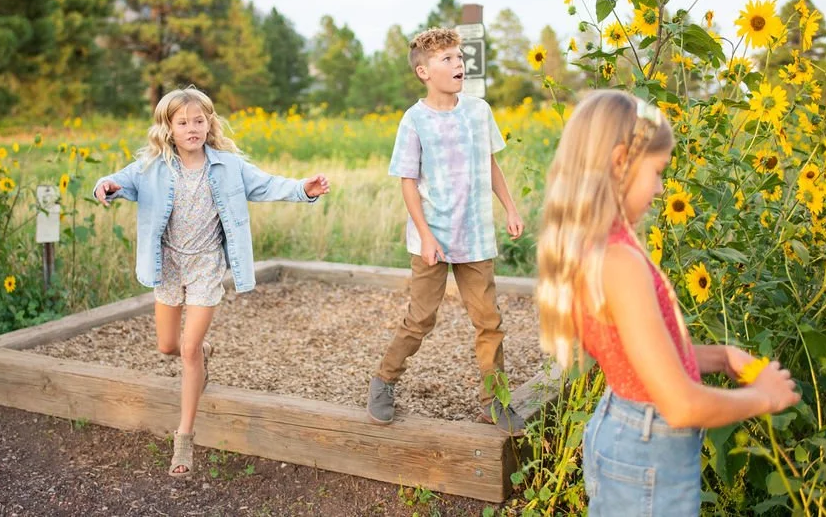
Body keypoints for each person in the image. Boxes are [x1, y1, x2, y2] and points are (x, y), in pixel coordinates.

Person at [535, 89, 800, 515]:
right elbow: (680, 404)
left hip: (626, 428)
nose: (661, 189)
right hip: (648, 449)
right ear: (620, 162)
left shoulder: (597, 246)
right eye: (657, 172)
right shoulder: (619, 262)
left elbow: (640, 355)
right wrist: (765, 398)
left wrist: (720, 356)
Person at [93, 88, 330, 479]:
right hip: (167, 265)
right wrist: (107, 185)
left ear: (210, 123)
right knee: (168, 345)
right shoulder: (153, 166)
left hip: (206, 265)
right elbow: (119, 180)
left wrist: (303, 189)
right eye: (183, 122)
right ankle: (202, 354)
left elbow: (268, 184)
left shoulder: (228, 166)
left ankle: (184, 437)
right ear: (168, 127)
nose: (192, 128)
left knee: (187, 350)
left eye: (199, 121)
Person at [366, 27, 527, 433]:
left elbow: (491, 164)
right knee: (420, 319)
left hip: (476, 236)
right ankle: (384, 380)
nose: (459, 65)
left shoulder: (479, 110)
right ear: (424, 71)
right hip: (431, 237)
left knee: (489, 321)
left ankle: (494, 401)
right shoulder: (414, 120)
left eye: (459, 57)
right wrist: (426, 236)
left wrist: (509, 207)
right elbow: (407, 181)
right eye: (448, 59)